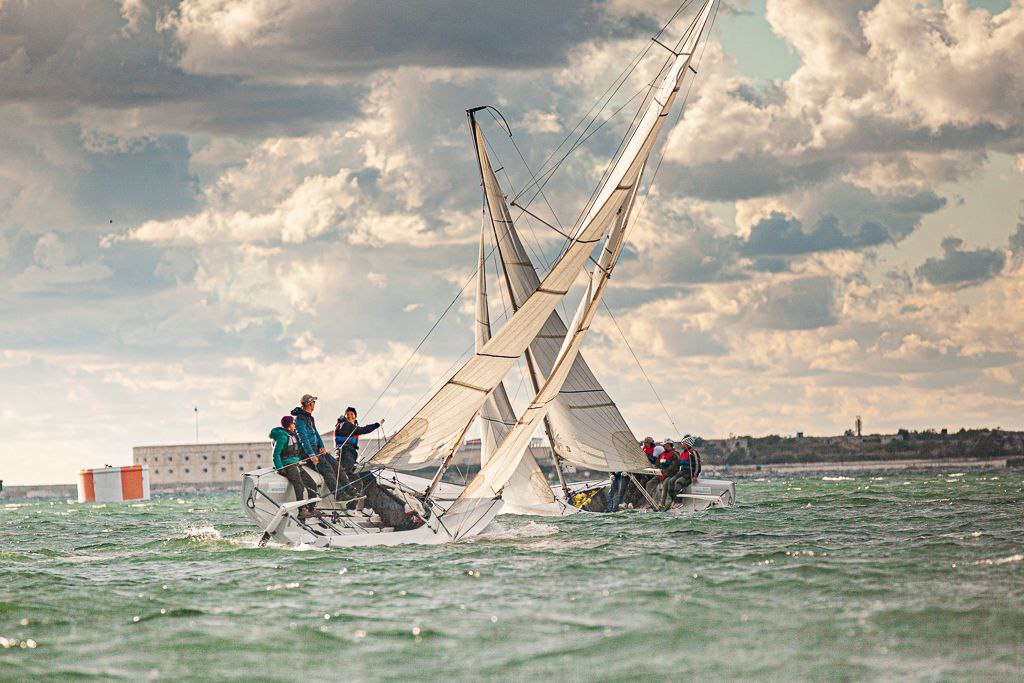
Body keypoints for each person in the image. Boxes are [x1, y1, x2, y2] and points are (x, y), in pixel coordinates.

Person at [291, 394, 345, 501]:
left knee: (334, 464)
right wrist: (311, 454)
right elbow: (303, 439)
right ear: (310, 404)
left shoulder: (309, 417)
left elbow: (316, 434)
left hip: (315, 449)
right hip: (307, 452)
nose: (314, 404)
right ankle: (339, 495)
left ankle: (347, 490)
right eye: (313, 402)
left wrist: (322, 446)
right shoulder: (300, 419)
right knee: (327, 469)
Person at [270, 416, 318, 518]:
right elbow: (276, 454)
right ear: (289, 425)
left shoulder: (292, 435)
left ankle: (312, 508)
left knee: (312, 484)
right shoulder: (282, 437)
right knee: (299, 485)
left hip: (296, 464)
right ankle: (302, 511)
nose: (295, 425)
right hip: (289, 466)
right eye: (293, 423)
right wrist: (280, 469)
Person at [334, 407, 384, 472]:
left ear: (355, 416)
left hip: (350, 454)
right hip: (344, 453)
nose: (349, 416)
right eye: (347, 414)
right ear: (345, 416)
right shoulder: (344, 425)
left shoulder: (352, 426)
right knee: (353, 475)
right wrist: (376, 425)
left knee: (367, 476)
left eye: (352, 414)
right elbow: (363, 430)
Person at [660, 438, 693, 510]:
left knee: (676, 482)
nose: (681, 444)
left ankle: (677, 501)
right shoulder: (682, 453)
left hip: (687, 474)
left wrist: (695, 475)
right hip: (680, 473)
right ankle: (673, 500)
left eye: (682, 443)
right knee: (671, 481)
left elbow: (697, 464)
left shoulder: (691, 453)